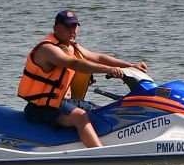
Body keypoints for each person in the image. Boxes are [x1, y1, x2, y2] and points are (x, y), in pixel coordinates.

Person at [16, 10, 148, 148]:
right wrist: (108, 70)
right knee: (80, 117)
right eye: (67, 27)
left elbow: (98, 57)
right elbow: (74, 64)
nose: (72, 31)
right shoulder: (47, 49)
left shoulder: (71, 47)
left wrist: (130, 65)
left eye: (74, 26)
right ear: (56, 28)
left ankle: (121, 144)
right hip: (43, 108)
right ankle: (99, 154)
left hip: (66, 102)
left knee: (105, 112)